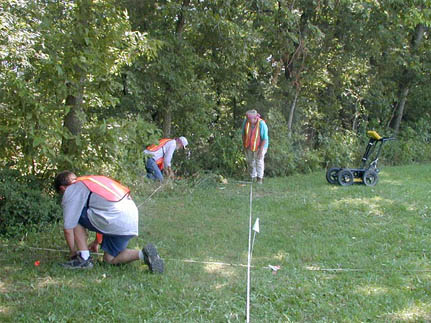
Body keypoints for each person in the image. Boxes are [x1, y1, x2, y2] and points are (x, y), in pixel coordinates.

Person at [54, 171, 164, 272]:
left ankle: (83, 258)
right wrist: (97, 241)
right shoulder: (91, 181)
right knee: (109, 259)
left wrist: (73, 253)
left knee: (75, 216)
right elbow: (101, 208)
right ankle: (143, 254)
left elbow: (68, 229)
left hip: (114, 219)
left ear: (63, 188)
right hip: (129, 220)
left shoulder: (71, 190)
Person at [242, 109, 269, 184]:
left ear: (254, 118)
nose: (246, 119)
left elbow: (265, 139)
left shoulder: (262, 124)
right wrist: (244, 145)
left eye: (248, 118)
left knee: (259, 161)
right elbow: (243, 134)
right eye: (246, 117)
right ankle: (252, 177)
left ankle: (259, 179)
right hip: (249, 145)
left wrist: (260, 151)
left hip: (261, 146)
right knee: (250, 161)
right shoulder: (246, 122)